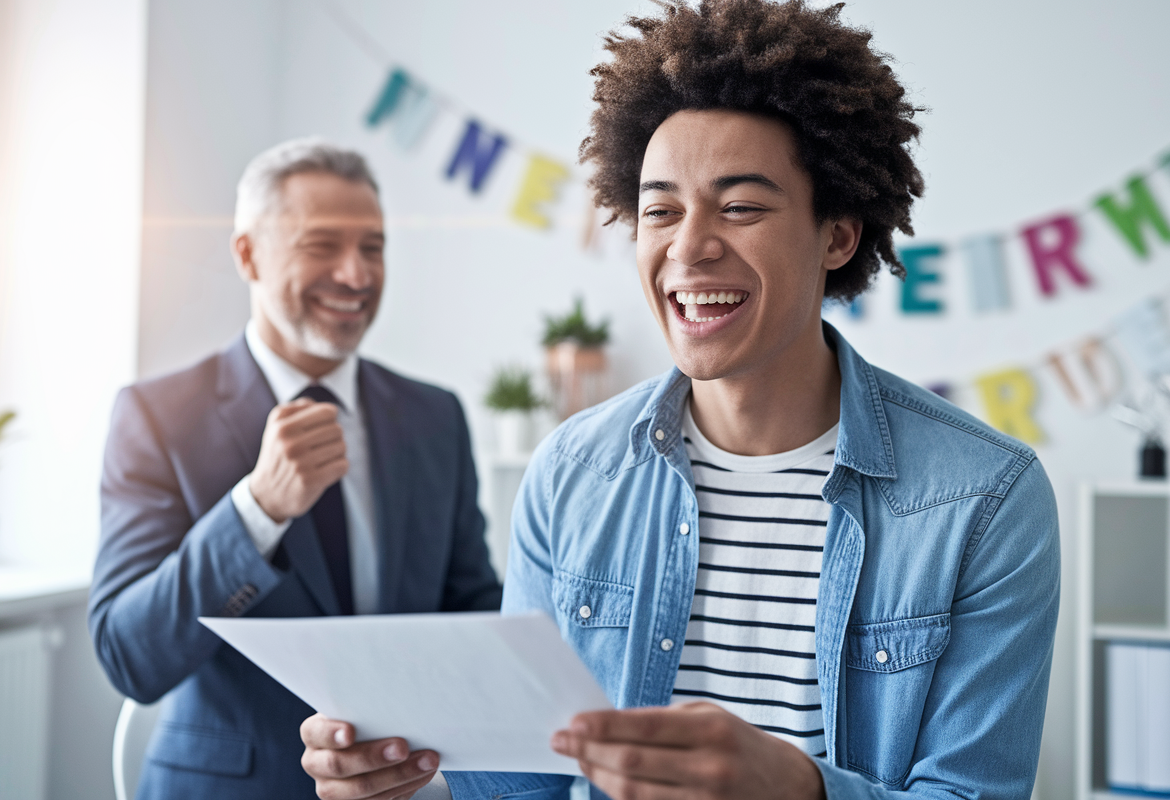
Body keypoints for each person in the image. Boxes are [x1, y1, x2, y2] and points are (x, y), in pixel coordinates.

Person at [300, 1, 1061, 798]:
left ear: (838, 233)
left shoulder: (984, 498)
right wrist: (410, 776)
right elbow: (528, 782)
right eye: (659, 210)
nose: (688, 247)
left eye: (739, 207)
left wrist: (795, 789)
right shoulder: (570, 472)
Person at [89, 138, 502, 798]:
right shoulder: (157, 416)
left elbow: (473, 603)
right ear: (247, 254)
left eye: (373, 247)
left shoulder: (435, 416)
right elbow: (130, 656)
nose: (357, 274)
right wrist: (258, 510)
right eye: (322, 245)